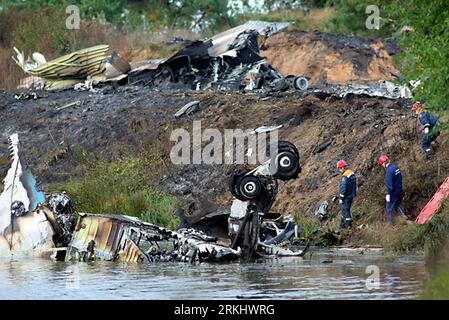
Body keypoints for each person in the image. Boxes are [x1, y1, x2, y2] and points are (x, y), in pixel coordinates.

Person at [377, 155, 406, 224]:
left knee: (389, 208)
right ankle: (403, 217)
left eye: (381, 164)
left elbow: (389, 186)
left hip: (393, 193)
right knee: (397, 205)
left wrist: (389, 195)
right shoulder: (395, 167)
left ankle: (390, 224)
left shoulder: (389, 172)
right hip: (400, 190)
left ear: (384, 163)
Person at [337, 160, 357, 228]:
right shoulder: (351, 173)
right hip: (351, 194)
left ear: (342, 168)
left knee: (345, 210)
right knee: (345, 209)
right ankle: (343, 225)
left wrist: (341, 197)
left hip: (346, 196)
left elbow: (343, 188)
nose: (339, 171)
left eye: (339, 169)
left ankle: (347, 225)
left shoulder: (345, 176)